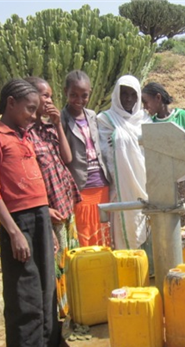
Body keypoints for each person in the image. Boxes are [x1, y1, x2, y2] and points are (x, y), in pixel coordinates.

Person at [0, 79, 61, 347]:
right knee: (23, 294)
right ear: (10, 103)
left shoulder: (24, 135)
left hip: (40, 218)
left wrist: (46, 217)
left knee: (44, 289)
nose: (32, 115)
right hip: (19, 224)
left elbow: (31, 184)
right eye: (29, 109)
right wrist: (14, 232)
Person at [25, 76, 81, 319]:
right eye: (44, 96)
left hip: (65, 204)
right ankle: (60, 317)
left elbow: (67, 158)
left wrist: (57, 123)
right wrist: (44, 208)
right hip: (49, 208)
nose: (49, 100)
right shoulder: (24, 135)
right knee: (56, 265)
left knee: (71, 262)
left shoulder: (48, 129)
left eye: (50, 96)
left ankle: (74, 308)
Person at [97, 75, 152, 250]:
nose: (128, 99)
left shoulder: (145, 120)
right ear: (116, 95)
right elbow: (105, 154)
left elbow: (152, 153)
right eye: (124, 94)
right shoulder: (105, 120)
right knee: (122, 236)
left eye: (132, 94)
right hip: (119, 189)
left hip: (145, 186)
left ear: (138, 96)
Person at [61, 70, 111, 247]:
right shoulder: (61, 120)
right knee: (83, 235)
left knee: (103, 232)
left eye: (84, 95)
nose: (79, 100)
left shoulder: (92, 115)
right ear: (65, 91)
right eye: (73, 95)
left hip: (101, 183)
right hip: (79, 185)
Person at [141, 82, 185, 227]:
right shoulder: (150, 124)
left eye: (146, 102)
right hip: (163, 183)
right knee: (167, 224)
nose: (145, 107)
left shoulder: (183, 116)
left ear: (158, 98)